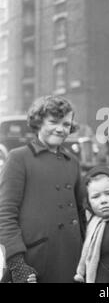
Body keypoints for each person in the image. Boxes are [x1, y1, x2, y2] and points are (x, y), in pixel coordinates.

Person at [0, 95, 85, 283]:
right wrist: (17, 263)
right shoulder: (18, 158)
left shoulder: (73, 162)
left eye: (66, 124)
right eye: (53, 122)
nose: (60, 129)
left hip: (72, 260)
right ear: (38, 123)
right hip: (34, 262)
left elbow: (81, 212)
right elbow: (5, 215)